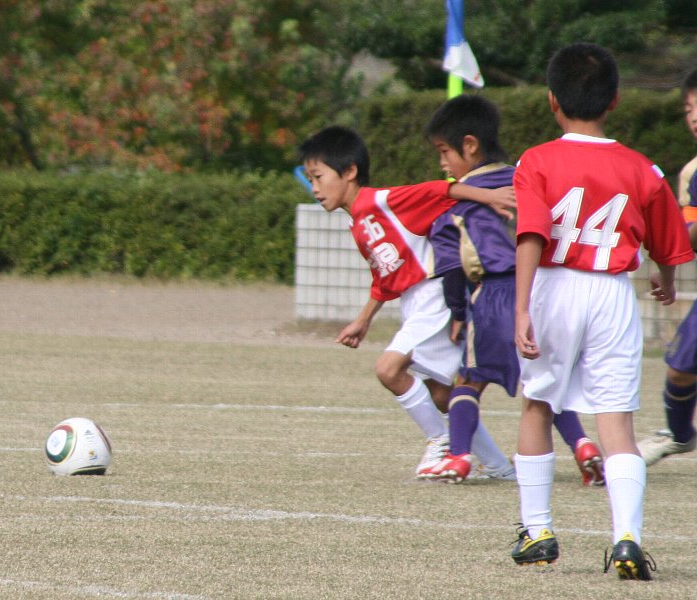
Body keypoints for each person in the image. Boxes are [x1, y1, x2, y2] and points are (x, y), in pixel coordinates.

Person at [510, 43, 693, 580]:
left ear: (552, 100)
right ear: (614, 100)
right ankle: (627, 539)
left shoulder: (536, 160)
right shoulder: (642, 168)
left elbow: (531, 234)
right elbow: (670, 245)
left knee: (538, 404)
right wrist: (667, 280)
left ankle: (538, 531)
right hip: (613, 293)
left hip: (553, 286)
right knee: (616, 420)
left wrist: (521, 308)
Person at [297, 125, 517, 481]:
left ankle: (441, 441)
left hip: (434, 294)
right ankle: (499, 467)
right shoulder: (358, 223)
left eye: (319, 177)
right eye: (310, 179)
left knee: (388, 369)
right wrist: (363, 320)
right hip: (415, 303)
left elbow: (438, 189)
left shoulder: (382, 201)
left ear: (349, 171)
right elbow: (385, 279)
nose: (314, 188)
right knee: (443, 395)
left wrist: (486, 196)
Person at [421, 94, 605, 486]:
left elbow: (452, 270)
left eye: (443, 152)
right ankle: (583, 445)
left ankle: (458, 456)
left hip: (494, 295)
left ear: (470, 145)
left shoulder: (455, 204)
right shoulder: (528, 176)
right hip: (541, 290)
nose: (442, 164)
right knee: (543, 384)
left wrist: (458, 314)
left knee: (468, 381)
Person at [637, 68, 697, 466]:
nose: (693, 116)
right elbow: (689, 234)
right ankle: (679, 435)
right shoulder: (693, 172)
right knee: (678, 370)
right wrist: (667, 255)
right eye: (689, 109)